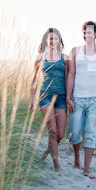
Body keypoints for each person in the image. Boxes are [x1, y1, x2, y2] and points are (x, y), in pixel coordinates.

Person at [66, 21, 96, 179]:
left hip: (95, 99)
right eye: (85, 32)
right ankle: (77, 160)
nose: (87, 35)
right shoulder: (75, 51)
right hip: (77, 98)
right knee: (75, 131)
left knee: (92, 132)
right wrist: (68, 96)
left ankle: (87, 168)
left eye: (90, 32)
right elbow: (71, 74)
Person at [29, 28, 68, 172]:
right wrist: (30, 101)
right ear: (46, 40)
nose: (53, 41)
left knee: (60, 134)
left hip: (61, 97)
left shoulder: (65, 57)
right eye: (51, 38)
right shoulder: (40, 57)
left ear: (59, 41)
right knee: (53, 131)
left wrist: (70, 97)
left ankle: (48, 150)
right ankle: (56, 165)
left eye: (56, 39)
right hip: (45, 97)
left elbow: (70, 78)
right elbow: (34, 80)